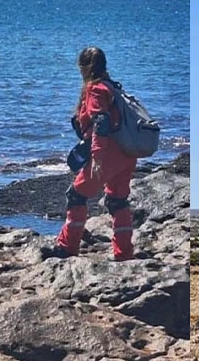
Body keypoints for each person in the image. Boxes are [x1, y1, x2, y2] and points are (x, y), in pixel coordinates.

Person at [54, 46, 137, 261]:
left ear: (84, 67)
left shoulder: (96, 89)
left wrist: (97, 157)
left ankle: (67, 247)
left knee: (76, 195)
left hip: (108, 154)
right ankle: (124, 253)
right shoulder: (113, 87)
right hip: (126, 153)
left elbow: (101, 122)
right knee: (118, 201)